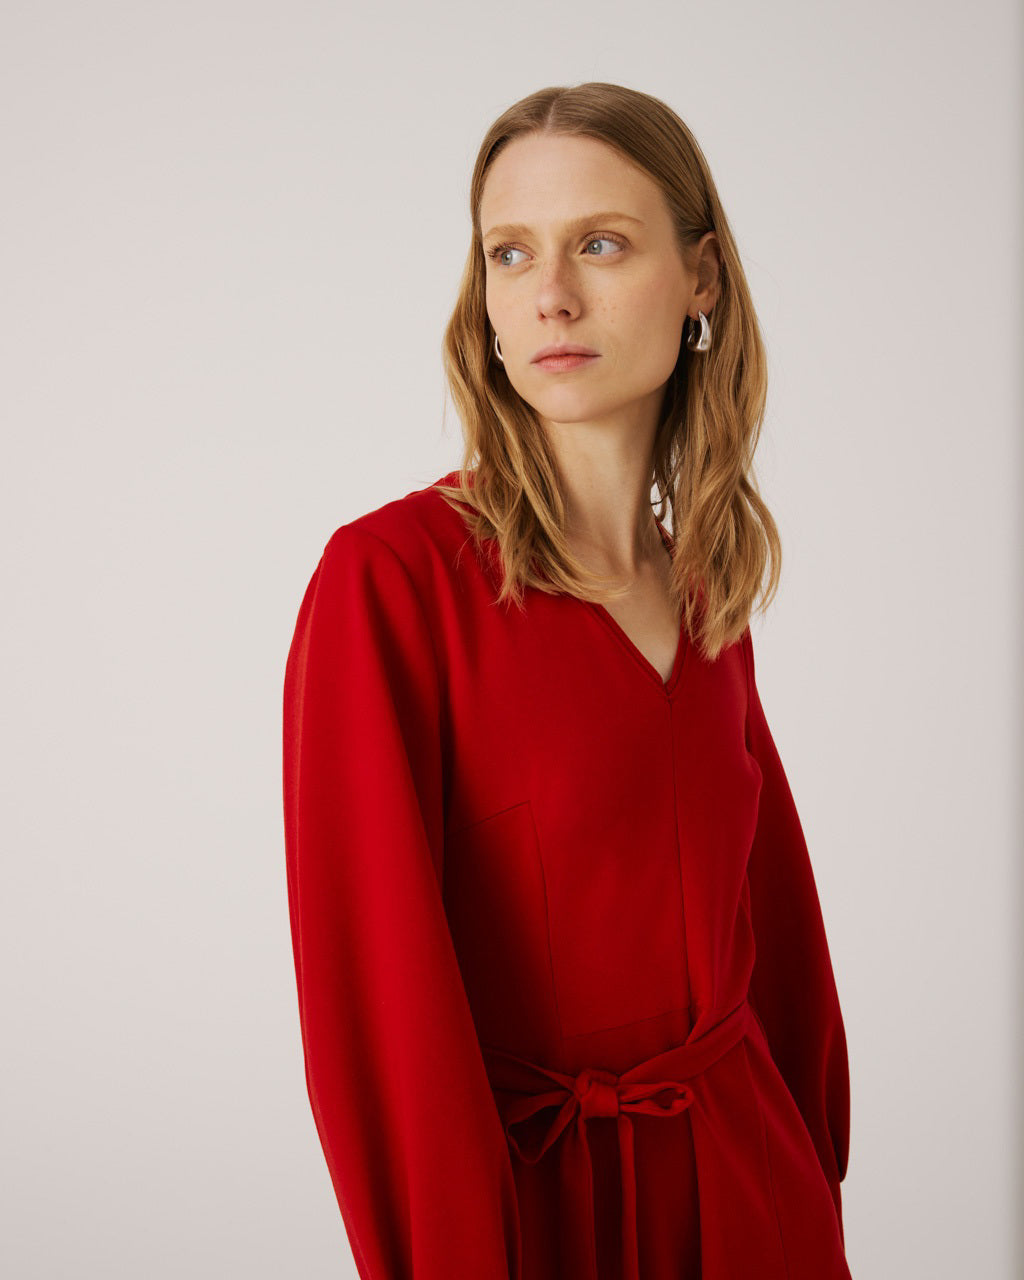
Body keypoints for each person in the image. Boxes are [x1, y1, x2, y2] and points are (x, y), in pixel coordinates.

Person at [282, 81, 853, 1280]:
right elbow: (377, 1000)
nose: (549, 293)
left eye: (599, 243)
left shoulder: (702, 586)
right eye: (510, 252)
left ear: (700, 277)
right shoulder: (391, 584)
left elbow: (776, 924)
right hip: (542, 1216)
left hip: (755, 1196)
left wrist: (807, 1164)